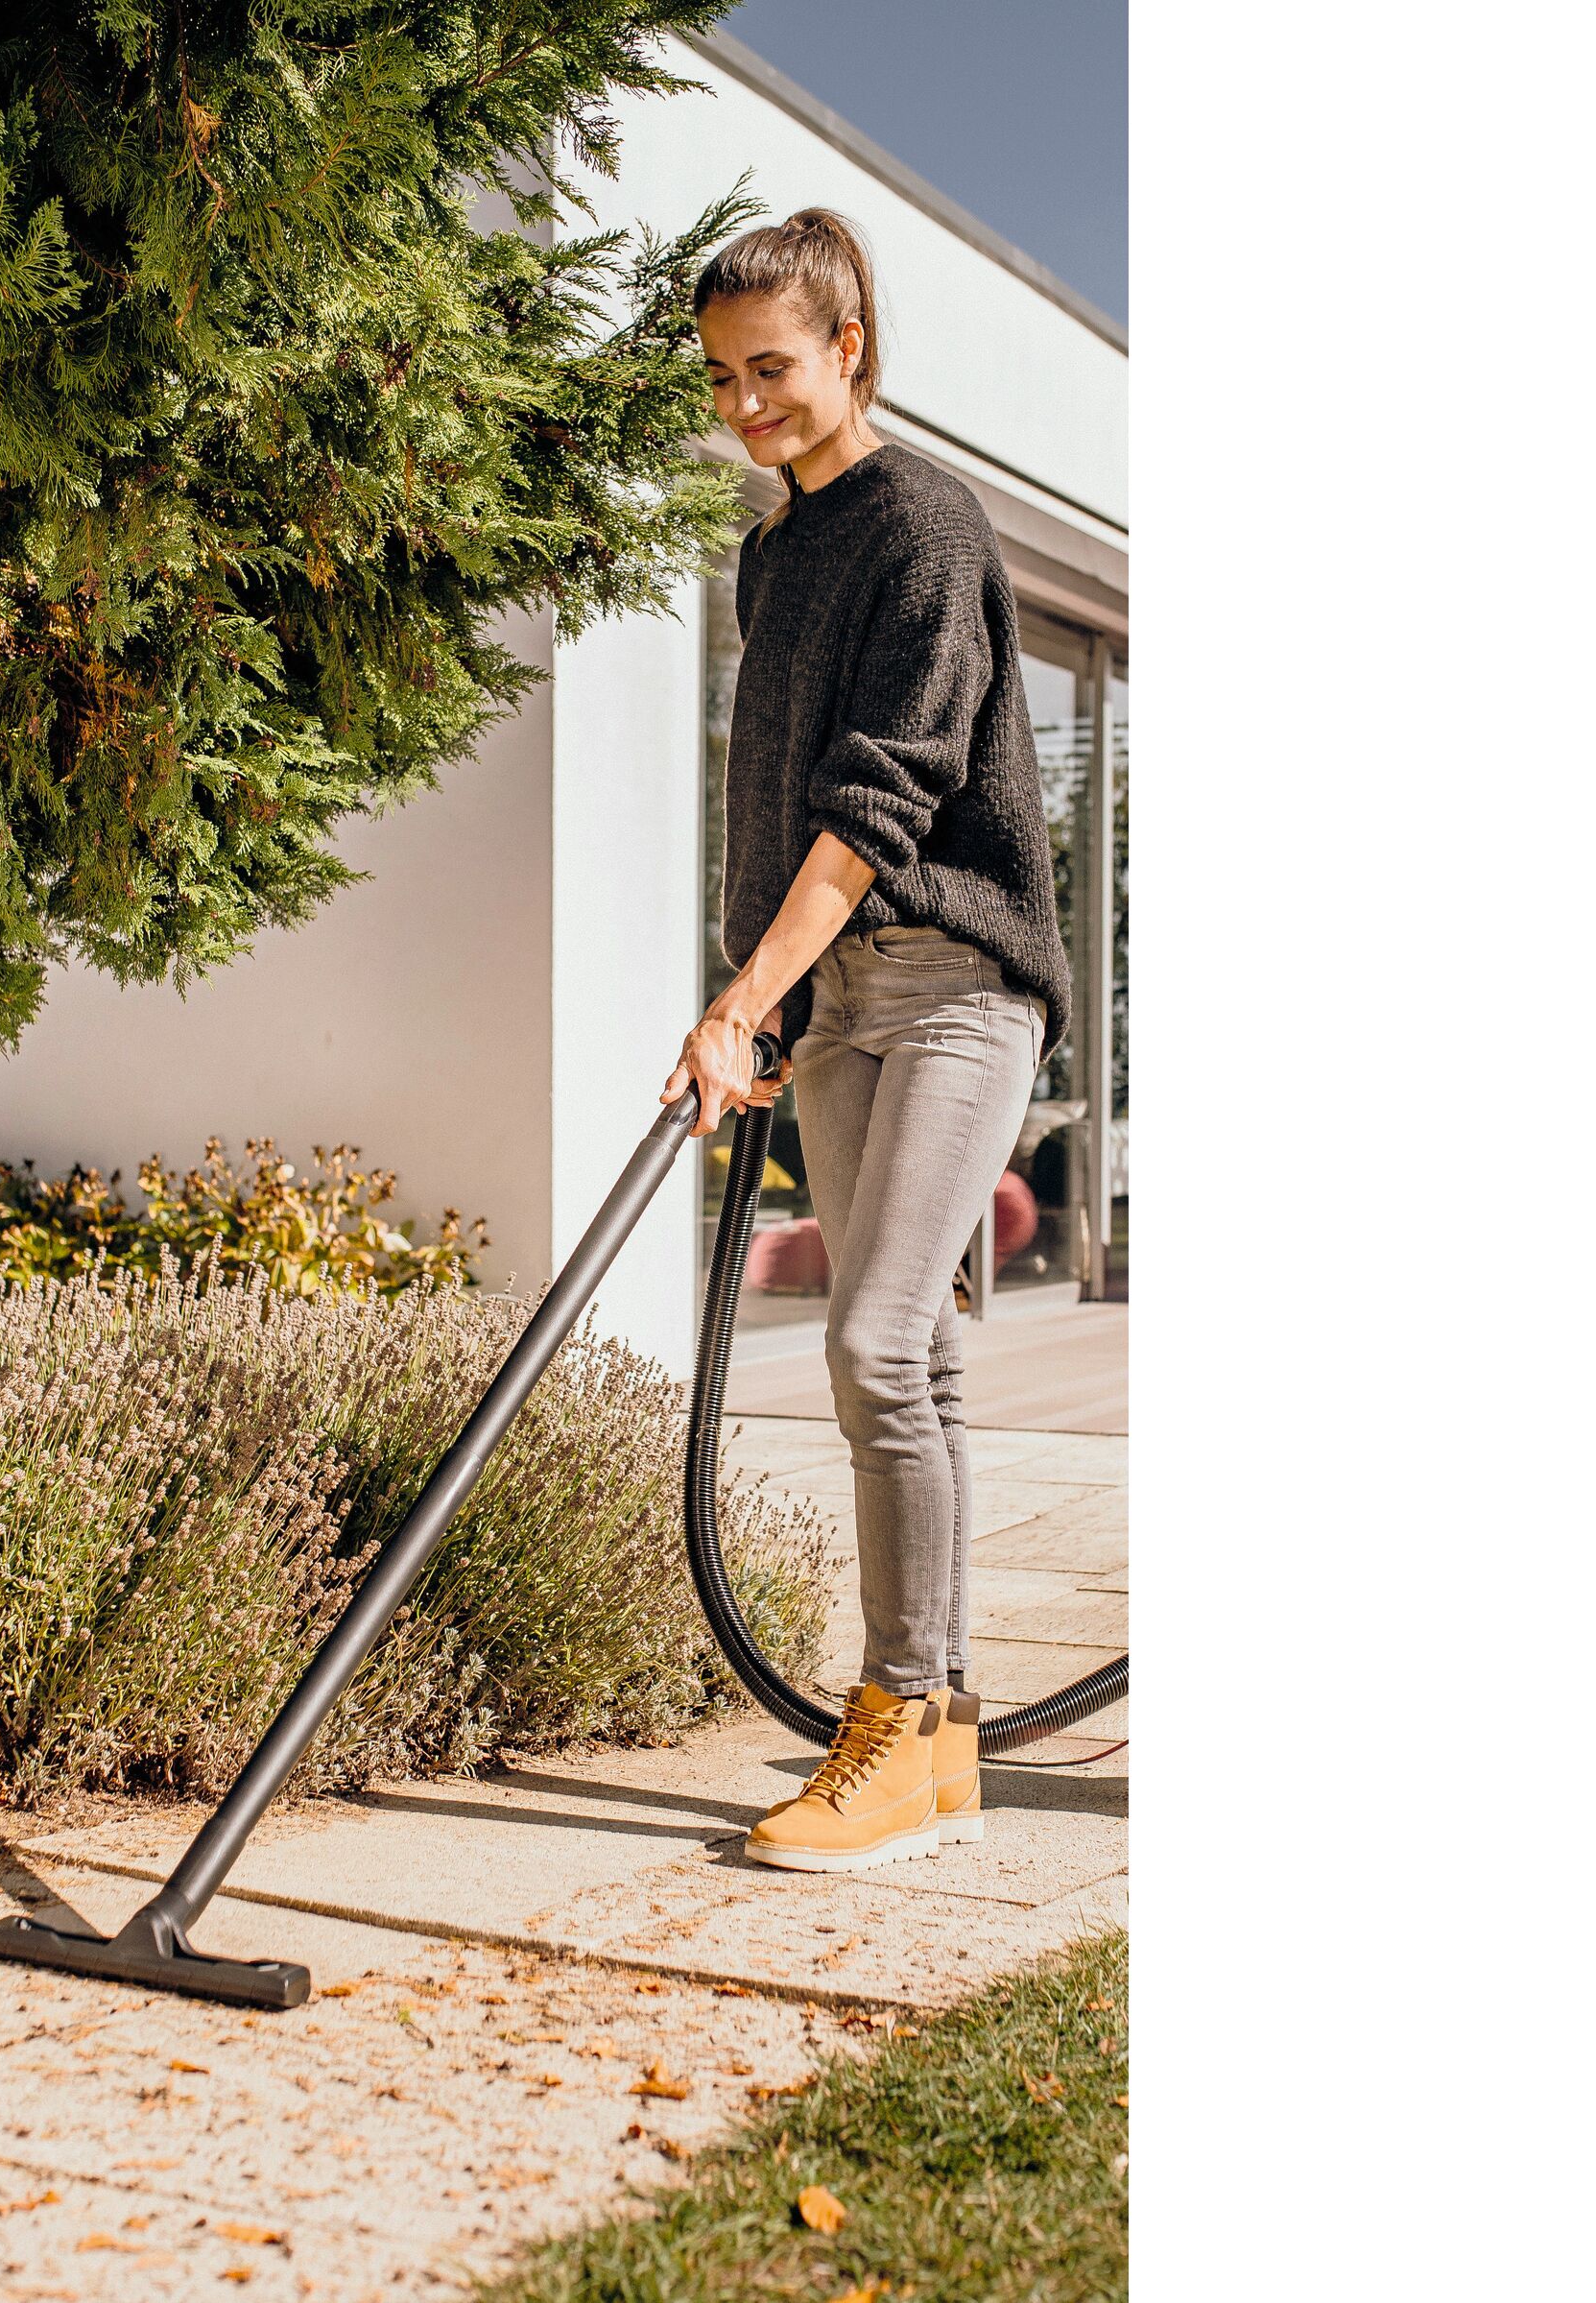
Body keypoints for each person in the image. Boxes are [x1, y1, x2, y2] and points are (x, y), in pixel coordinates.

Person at [663, 209, 1072, 1874]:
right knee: (924, 1361)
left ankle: (892, 1718)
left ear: (849, 347)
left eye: (770, 367)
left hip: (961, 986)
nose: (744, 403)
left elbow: (877, 803)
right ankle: (945, 1735)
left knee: (878, 1344)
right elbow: (771, 795)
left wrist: (740, 998)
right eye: (720, 378)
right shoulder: (776, 549)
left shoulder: (927, 525)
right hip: (835, 999)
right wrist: (760, 992)